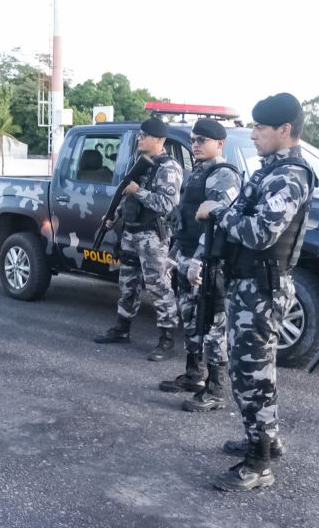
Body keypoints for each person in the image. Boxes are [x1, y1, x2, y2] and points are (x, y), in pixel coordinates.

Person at [197, 93, 315, 492]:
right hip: (248, 286)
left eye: (261, 128)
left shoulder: (289, 176)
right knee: (255, 371)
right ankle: (266, 441)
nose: (253, 134)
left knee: (252, 376)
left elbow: (260, 233)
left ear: (285, 130)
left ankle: (259, 463)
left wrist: (217, 211)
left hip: (262, 291)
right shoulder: (270, 171)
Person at [158, 118, 241, 413]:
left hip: (209, 263)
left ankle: (216, 389)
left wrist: (198, 260)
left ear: (219, 144)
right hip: (187, 257)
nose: (195, 145)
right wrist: (173, 255)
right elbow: (184, 220)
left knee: (212, 326)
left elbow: (219, 225)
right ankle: (194, 375)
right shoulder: (196, 174)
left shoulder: (224, 176)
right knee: (191, 321)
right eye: (193, 140)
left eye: (201, 140)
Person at [93, 117, 182, 360]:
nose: (139, 138)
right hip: (131, 232)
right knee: (127, 282)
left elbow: (166, 204)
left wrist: (138, 191)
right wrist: (115, 216)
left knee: (158, 286)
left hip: (152, 236)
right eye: (139, 135)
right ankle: (122, 328)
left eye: (144, 135)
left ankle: (166, 339)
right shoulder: (140, 162)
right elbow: (126, 196)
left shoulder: (168, 167)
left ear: (159, 140)